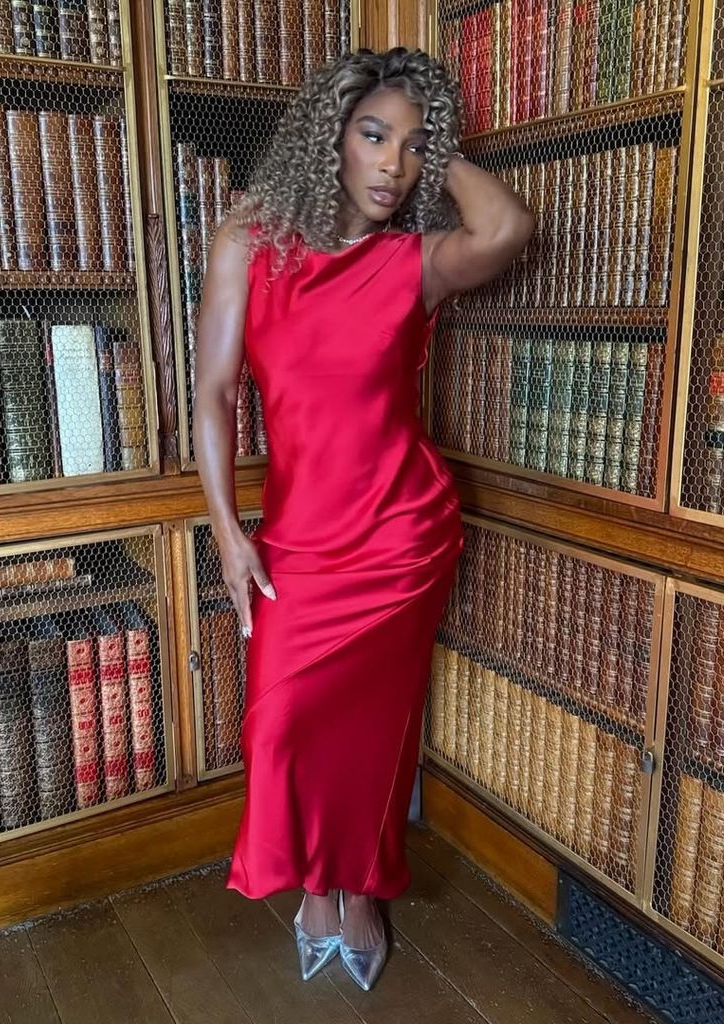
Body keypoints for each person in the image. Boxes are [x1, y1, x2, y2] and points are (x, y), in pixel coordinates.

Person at [193, 45, 534, 991]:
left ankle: (357, 890)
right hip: (296, 546)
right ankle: (312, 879)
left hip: (402, 540)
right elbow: (215, 391)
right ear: (328, 136)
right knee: (287, 729)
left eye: (412, 148)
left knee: (378, 737)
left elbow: (506, 224)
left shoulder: (413, 265)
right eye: (372, 135)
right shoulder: (248, 247)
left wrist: (437, 131)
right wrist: (227, 531)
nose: (392, 164)